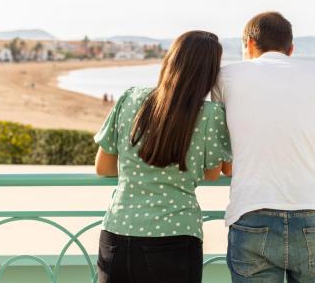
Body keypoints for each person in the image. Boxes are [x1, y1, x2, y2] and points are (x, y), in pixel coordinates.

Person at [212, 11, 315, 283]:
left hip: (251, 212)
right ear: (291, 49)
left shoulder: (225, 77)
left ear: (249, 43)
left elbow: (225, 164)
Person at [94, 30, 232, 283]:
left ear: (170, 60)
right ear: (209, 74)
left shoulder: (130, 97)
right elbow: (212, 174)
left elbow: (103, 166)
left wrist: (139, 170)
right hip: (175, 236)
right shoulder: (210, 115)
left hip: (117, 232)